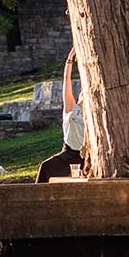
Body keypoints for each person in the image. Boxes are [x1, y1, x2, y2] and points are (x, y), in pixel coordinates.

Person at [35, 47, 85, 182]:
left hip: (86, 157)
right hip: (68, 153)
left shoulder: (92, 114)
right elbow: (66, 80)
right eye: (82, 92)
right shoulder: (71, 108)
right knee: (46, 167)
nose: (83, 94)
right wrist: (69, 60)